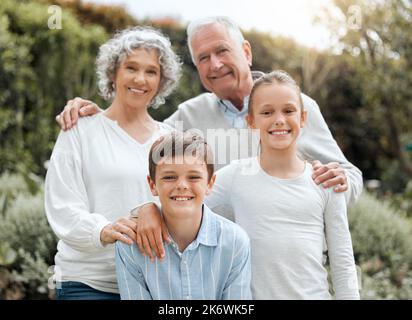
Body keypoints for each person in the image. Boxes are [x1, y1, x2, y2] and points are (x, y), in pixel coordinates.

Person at [55, 16, 363, 260]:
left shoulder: (293, 106)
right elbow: (140, 138)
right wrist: (101, 118)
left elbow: (349, 176)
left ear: (246, 51)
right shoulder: (189, 116)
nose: (214, 64)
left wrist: (338, 183)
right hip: (218, 269)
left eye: (222, 51)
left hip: (289, 268)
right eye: (203, 58)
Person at [44, 26, 182, 299]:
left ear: (161, 81)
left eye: (151, 71)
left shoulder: (171, 140)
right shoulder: (80, 129)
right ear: (113, 73)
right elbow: (61, 205)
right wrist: (102, 230)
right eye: (131, 68)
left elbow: (184, 206)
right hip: (88, 283)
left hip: (152, 284)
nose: (140, 79)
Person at [205, 70, 360, 299]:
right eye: (267, 112)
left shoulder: (324, 181)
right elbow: (183, 205)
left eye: (288, 110)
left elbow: (343, 263)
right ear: (251, 122)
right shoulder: (234, 177)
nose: (279, 119)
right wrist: (147, 211)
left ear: (303, 118)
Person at [115, 132, 252, 300]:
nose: (181, 185)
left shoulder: (235, 242)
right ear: (152, 185)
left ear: (210, 183)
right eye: (169, 177)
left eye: (193, 177)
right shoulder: (130, 245)